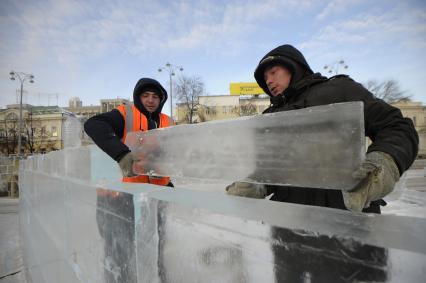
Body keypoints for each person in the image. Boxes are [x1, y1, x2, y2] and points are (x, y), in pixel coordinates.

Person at [226, 44, 419, 213]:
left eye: (273, 72)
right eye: (265, 77)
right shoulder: (269, 117)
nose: (268, 81)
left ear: (294, 66)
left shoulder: (339, 89)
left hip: (347, 214)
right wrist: (258, 184)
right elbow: (274, 167)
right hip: (289, 223)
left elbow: (395, 125)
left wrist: (385, 160)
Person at [84, 77, 174, 186]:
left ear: (160, 100)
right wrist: (121, 154)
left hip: (163, 190)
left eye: (155, 97)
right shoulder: (127, 113)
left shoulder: (168, 121)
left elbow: (174, 152)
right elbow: (93, 124)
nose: (150, 100)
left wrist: (168, 180)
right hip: (134, 191)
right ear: (138, 97)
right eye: (145, 95)